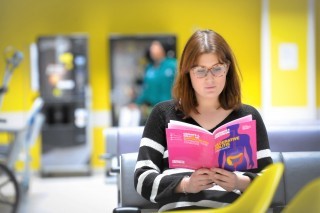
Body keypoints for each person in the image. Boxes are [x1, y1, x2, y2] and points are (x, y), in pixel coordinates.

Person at [134, 29, 273, 212]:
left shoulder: (248, 117)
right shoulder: (162, 114)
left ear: (227, 69)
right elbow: (142, 179)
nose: (210, 79)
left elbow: (269, 181)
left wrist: (239, 182)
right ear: (187, 73)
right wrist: (184, 185)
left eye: (217, 69)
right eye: (200, 71)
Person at [133, 40, 177, 124]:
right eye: (152, 47)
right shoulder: (149, 68)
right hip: (152, 110)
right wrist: (137, 103)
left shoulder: (173, 65)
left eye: (156, 47)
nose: (152, 50)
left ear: (163, 49)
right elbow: (145, 90)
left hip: (171, 109)